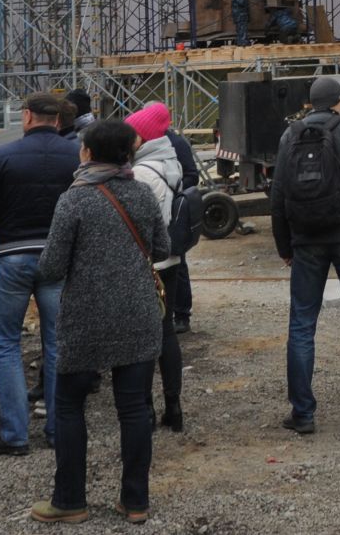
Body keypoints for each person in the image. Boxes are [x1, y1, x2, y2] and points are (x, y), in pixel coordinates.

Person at [34, 119, 169, 525]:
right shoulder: (143, 193)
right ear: (128, 154)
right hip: (139, 313)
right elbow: (162, 248)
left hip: (85, 317)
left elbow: (52, 267)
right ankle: (135, 502)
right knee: (134, 409)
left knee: (71, 405)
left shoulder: (74, 199)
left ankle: (70, 500)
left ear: (88, 153)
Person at [269, 76, 340, 434]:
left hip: (306, 239)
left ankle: (302, 414)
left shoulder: (291, 135)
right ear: (339, 102)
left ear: (310, 104)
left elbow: (278, 196)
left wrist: (284, 246)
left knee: (302, 325)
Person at [0, 91, 79, 456]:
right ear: (59, 120)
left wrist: (7, 226)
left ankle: (14, 434)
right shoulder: (74, 156)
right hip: (57, 258)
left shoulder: (4, 155)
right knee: (56, 343)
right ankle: (57, 430)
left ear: (28, 116)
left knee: (4, 343)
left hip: (14, 256)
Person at [128, 101, 186, 433]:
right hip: (171, 260)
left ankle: (146, 408)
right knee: (166, 334)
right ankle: (174, 406)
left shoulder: (143, 173)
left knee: (144, 337)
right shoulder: (169, 161)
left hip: (148, 261)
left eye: (133, 133)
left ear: (145, 136)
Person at [163, 125, 200, 334]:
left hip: (174, 210)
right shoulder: (143, 143)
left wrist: (172, 188)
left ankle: (182, 313)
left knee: (178, 262)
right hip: (158, 210)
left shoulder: (177, 143)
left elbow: (192, 175)